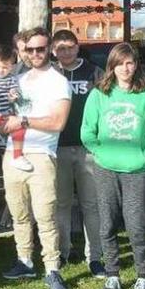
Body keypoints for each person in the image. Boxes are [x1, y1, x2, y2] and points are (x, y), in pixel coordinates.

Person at [81, 43, 145, 289]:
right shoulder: (99, 94)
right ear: (112, 66)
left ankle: (144, 277)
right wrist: (99, 152)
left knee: (136, 225)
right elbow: (87, 130)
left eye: (130, 63)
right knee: (107, 223)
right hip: (106, 168)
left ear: (136, 64)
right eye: (120, 63)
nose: (125, 68)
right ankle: (113, 274)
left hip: (136, 171)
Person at [0, 28, 71, 289]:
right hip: (13, 153)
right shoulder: (17, 80)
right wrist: (2, 121)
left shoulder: (58, 81)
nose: (35, 54)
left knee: (45, 215)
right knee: (19, 214)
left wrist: (25, 121)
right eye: (30, 50)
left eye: (40, 49)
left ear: (49, 49)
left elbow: (58, 122)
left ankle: (52, 268)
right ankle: (25, 261)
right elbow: (8, 115)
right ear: (24, 51)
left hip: (42, 155)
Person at [52, 29, 105, 275]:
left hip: (87, 149)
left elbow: (107, 103)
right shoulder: (50, 73)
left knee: (90, 204)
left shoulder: (94, 71)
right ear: (54, 50)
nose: (65, 52)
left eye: (70, 47)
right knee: (61, 204)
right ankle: (62, 251)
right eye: (60, 48)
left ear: (77, 46)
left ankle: (94, 257)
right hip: (58, 147)